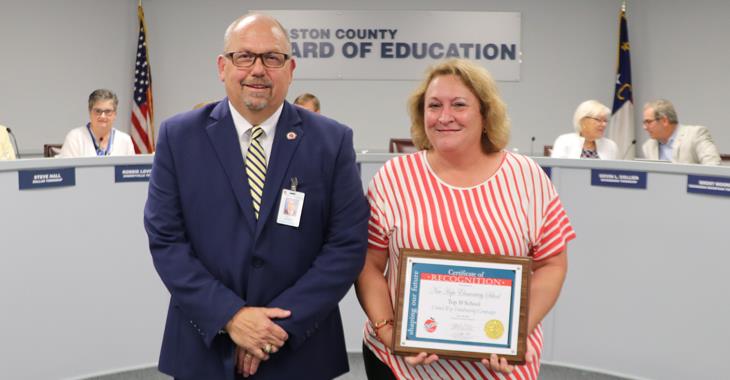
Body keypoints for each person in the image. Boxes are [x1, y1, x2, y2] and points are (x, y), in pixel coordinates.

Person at [143, 13, 368, 380]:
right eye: (244, 56)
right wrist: (231, 317)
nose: (258, 70)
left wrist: (276, 328)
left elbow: (346, 243)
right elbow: (166, 240)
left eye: (272, 58)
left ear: (291, 68)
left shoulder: (332, 141)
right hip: (206, 347)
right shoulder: (178, 137)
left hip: (300, 347)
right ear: (222, 66)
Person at [355, 59, 576, 380]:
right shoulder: (394, 178)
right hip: (401, 366)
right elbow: (368, 265)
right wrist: (388, 331)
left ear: (485, 114)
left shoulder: (527, 177)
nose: (444, 117)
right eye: (434, 106)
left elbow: (552, 264)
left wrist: (517, 333)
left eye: (459, 105)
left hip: (498, 369)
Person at [57, 89, 135, 158]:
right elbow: (67, 172)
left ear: (115, 114)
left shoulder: (125, 140)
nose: (103, 116)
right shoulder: (75, 138)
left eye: (108, 111)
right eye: (98, 111)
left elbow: (131, 172)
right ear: (90, 112)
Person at [641, 99, 721, 165]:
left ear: (664, 121)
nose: (644, 127)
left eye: (648, 122)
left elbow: (713, 165)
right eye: (644, 123)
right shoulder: (648, 146)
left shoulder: (696, 135)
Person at [550, 100, 618, 159]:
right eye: (598, 120)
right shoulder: (564, 141)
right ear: (583, 121)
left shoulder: (610, 146)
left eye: (605, 120)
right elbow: (556, 171)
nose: (604, 124)